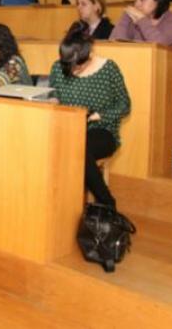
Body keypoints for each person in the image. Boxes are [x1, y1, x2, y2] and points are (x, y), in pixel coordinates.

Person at [48, 22, 130, 207]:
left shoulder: (108, 69)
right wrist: (53, 101)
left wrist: (98, 116)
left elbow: (125, 105)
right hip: (68, 128)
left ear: (90, 55)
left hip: (101, 130)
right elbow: (54, 93)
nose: (73, 71)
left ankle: (106, 203)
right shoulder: (58, 67)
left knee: (78, 148)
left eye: (78, 67)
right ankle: (59, 204)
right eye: (69, 67)